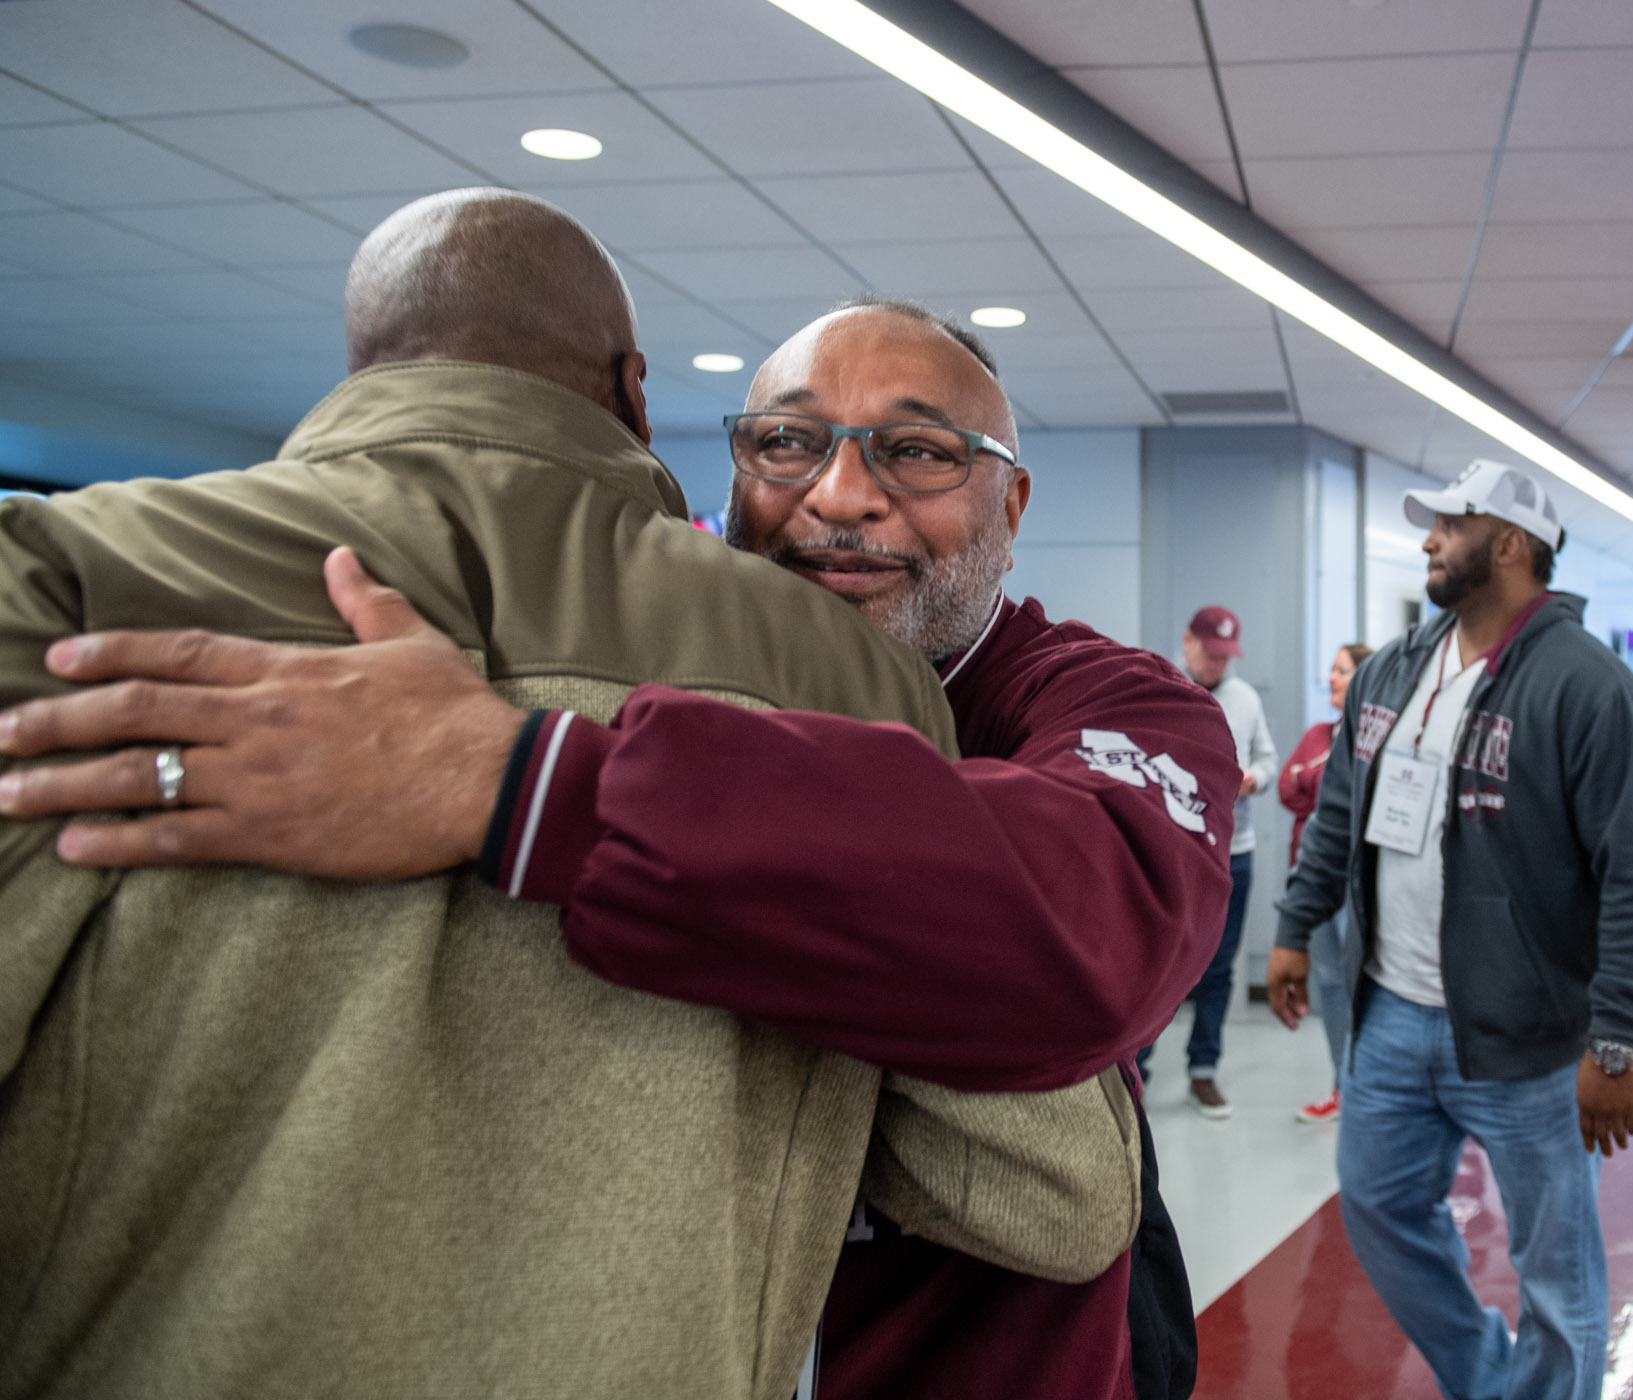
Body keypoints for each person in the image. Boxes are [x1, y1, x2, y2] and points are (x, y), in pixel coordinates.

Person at [0, 195, 1147, 1396]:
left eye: (915, 451)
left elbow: (1102, 905)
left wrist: (517, 781)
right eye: (792, 440)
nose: (842, 497)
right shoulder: (853, 683)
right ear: (638, 394)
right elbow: (1055, 1196)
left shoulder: (64, 583)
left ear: (362, 364)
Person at [1265, 459, 1633, 1400]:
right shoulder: (1391, 670)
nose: (1426, 540)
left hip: (1529, 1038)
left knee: (1556, 1265)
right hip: (1392, 1019)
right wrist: (1298, 924)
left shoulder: (1588, 688)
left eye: (1448, 525)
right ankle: (1491, 1383)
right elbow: (1340, 811)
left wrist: (1615, 1042)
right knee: (1377, 1211)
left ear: (1508, 543)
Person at [1150, 604, 1279, 1119]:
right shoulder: (1156, 685)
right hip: (1175, 850)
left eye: (1227, 657)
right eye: (1211, 653)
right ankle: (1137, 1064)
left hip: (1233, 853)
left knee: (1219, 967)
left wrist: (1256, 780)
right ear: (1188, 642)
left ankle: (1204, 1068)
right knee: (1161, 960)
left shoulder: (1245, 699)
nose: (1218, 665)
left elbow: (1269, 759)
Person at [1278, 641, 1373, 1123]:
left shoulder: (1370, 739)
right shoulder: (1320, 734)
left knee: (1359, 985)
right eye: (1332, 671)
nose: (1332, 678)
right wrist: (1314, 785)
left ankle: (1366, 1087)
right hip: (1312, 880)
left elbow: (1321, 793)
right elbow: (1287, 789)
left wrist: (1311, 783)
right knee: (1331, 985)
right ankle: (1342, 1086)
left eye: (1341, 671)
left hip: (1354, 888)